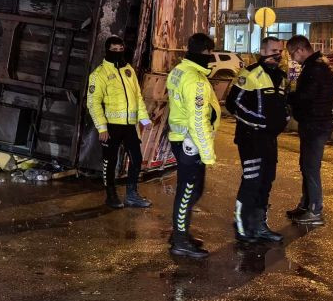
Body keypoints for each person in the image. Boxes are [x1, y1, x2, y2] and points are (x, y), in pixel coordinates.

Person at [224, 36, 288, 244]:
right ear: (262, 50)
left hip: (270, 140)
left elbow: (284, 105)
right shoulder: (250, 74)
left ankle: (259, 225)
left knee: (266, 181)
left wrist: (284, 119)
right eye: (272, 50)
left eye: (279, 50)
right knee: (251, 181)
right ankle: (242, 225)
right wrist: (259, 121)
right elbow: (233, 104)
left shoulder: (281, 77)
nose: (276, 55)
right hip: (250, 138)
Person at [166, 32, 220, 259]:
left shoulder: (180, 71)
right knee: (188, 192)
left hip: (183, 141)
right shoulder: (195, 80)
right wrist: (208, 155)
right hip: (191, 144)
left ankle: (180, 233)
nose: (212, 58)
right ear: (205, 53)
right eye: (210, 54)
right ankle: (179, 240)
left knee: (192, 191)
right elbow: (198, 121)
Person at [86, 35, 153, 209]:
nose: (117, 52)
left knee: (136, 159)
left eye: (120, 49)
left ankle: (132, 195)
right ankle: (111, 196)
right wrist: (102, 128)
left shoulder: (128, 70)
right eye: (114, 50)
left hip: (130, 126)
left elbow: (137, 96)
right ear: (107, 50)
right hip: (111, 126)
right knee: (110, 162)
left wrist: (144, 119)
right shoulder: (99, 74)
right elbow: (93, 103)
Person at [285, 35, 333, 226]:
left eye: (292, 54)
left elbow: (306, 96)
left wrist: (289, 97)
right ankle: (306, 205)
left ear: (300, 50)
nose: (292, 58)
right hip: (314, 123)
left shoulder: (315, 69)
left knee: (311, 167)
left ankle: (315, 210)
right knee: (306, 165)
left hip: (316, 125)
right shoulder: (316, 66)